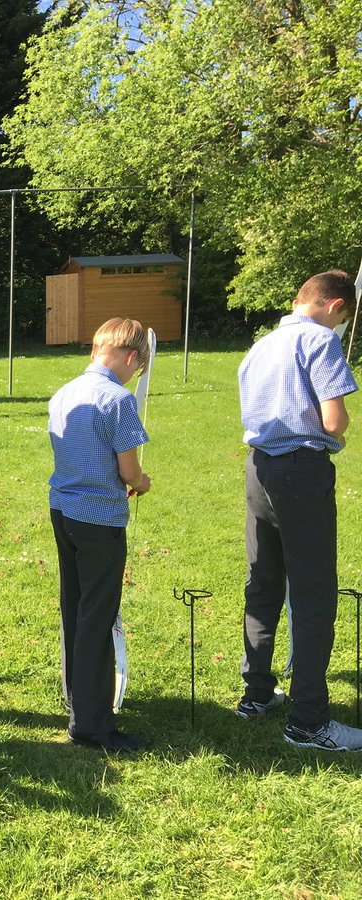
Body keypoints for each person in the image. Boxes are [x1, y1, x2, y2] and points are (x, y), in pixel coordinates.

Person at [237, 269, 362, 750]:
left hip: (259, 467)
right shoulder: (320, 341)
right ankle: (309, 721)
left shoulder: (261, 346)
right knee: (313, 593)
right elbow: (332, 419)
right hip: (300, 470)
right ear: (334, 307)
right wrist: (341, 432)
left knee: (264, 580)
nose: (340, 328)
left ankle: (257, 694)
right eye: (343, 319)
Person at [47, 317, 151, 754]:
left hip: (64, 511)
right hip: (100, 520)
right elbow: (128, 469)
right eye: (137, 369)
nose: (134, 377)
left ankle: (79, 699)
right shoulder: (118, 399)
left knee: (75, 607)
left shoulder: (64, 391)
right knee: (97, 616)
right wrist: (141, 481)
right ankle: (91, 724)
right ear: (130, 358)